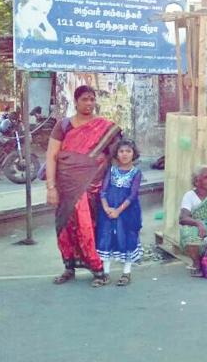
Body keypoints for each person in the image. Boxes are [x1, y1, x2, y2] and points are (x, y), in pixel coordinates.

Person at [45, 85, 122, 287]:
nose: (89, 103)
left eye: (91, 99)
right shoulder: (63, 126)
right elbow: (52, 156)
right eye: (85, 99)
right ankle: (68, 267)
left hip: (93, 187)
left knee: (89, 226)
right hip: (66, 186)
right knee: (65, 227)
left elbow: (120, 155)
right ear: (76, 101)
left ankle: (99, 270)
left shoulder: (105, 127)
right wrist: (51, 188)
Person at [96, 139, 143, 287]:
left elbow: (132, 195)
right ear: (116, 153)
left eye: (128, 151)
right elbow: (103, 191)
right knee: (106, 238)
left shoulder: (136, 173)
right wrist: (106, 208)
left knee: (127, 238)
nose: (125, 154)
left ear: (133, 154)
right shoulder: (111, 170)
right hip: (108, 211)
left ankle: (126, 273)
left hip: (127, 212)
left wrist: (118, 211)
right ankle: (106, 273)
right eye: (121, 151)